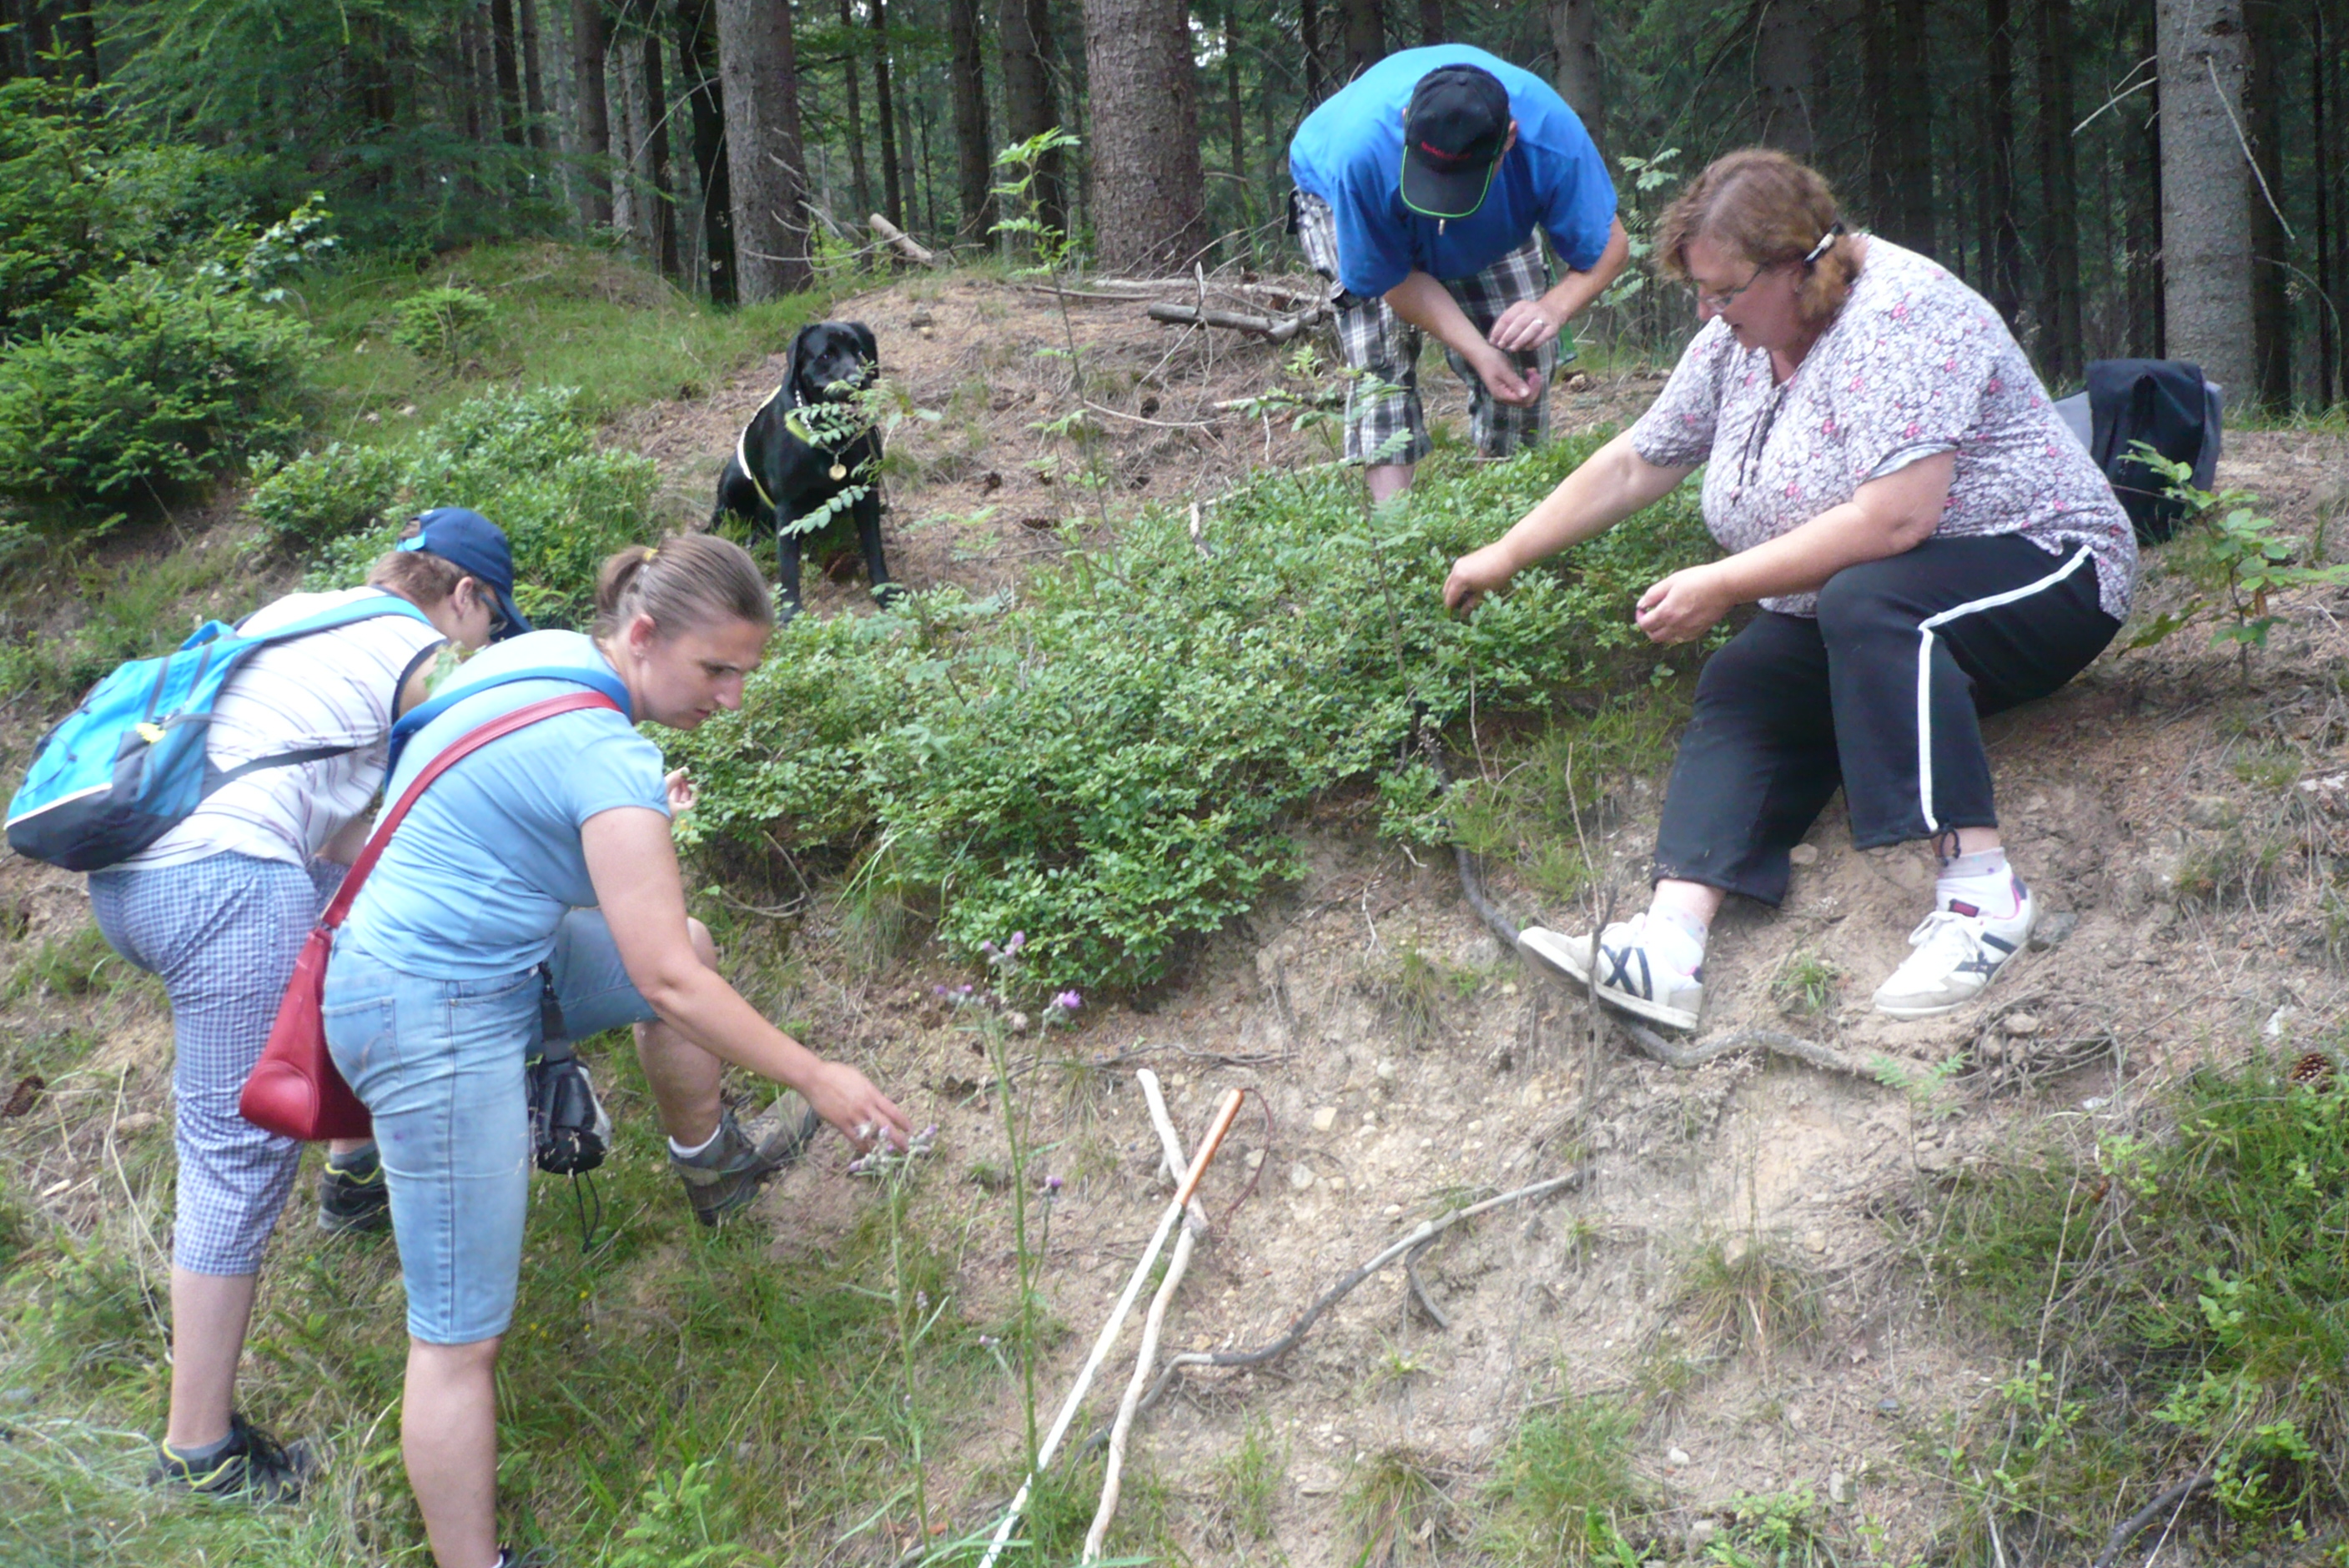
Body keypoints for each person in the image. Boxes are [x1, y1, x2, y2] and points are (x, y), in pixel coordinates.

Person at [1443, 148, 2137, 1029]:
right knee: (1750, 672)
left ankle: (1982, 896)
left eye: (1723, 291)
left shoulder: (1902, 316)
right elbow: (1636, 461)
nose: (1707, 311)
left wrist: (1722, 582)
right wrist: (1506, 552)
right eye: (1699, 291)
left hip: (2048, 567)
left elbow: (1895, 521)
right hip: (1881, 593)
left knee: (1870, 604)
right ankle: (1666, 947)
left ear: (1797, 266)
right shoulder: (1740, 340)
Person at [320, 534, 912, 1568]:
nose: (731, 697)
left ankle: (712, 1164)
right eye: (714, 668)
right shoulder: (607, 753)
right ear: (642, 634)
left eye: (744, 672)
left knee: (691, 939)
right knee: (458, 1336)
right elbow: (666, 983)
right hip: (427, 1012)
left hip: (439, 960)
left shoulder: (537, 652)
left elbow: (524, 832)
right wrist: (817, 1074)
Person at [84, 506, 528, 1501]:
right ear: (463, 595)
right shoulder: (417, 654)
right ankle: (198, 1450)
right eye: (491, 623)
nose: (482, 645)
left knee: (347, 915)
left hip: (127, 878)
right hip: (222, 883)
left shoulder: (298, 611)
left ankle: (354, 1168)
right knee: (234, 1157)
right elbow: (441, 812)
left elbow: (340, 844)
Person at [1286, 44, 1629, 503]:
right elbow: (1390, 280)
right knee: (1381, 360)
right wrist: (1475, 350)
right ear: (1407, 120)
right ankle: (1393, 530)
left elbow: (1611, 245)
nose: (1442, 201)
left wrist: (1552, 308)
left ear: (1509, 138)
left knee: (1520, 352)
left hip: (1493, 215)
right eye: (1434, 175)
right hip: (1347, 196)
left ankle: (1503, 513)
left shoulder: (1550, 139)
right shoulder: (1359, 156)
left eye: (1461, 180)